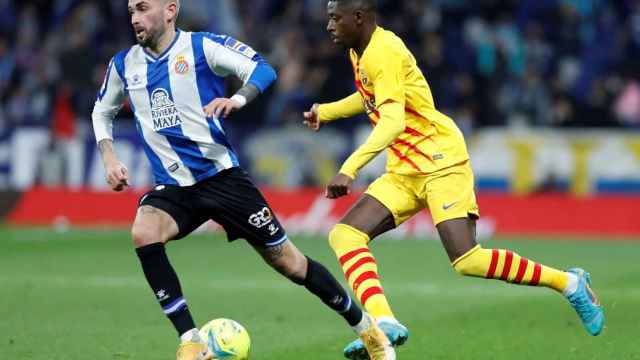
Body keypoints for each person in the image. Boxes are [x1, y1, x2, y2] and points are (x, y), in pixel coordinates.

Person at [91, 1, 395, 359]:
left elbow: (262, 70)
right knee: (144, 232)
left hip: (222, 179)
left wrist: (237, 99)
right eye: (130, 11)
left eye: (143, 9)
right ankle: (191, 340)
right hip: (174, 188)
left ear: (170, 10)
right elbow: (102, 111)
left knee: (291, 263)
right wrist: (109, 157)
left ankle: (368, 330)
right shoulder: (124, 65)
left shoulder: (203, 47)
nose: (135, 19)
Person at [303, 1, 605, 359]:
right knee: (345, 234)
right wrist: (328, 111)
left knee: (466, 260)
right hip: (404, 167)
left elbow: (392, 122)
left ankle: (569, 283)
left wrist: (349, 168)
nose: (329, 26)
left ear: (359, 17)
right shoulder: (363, 51)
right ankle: (383, 322)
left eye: (336, 18)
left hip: (440, 160)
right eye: (328, 18)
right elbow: (371, 97)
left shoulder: (382, 52)